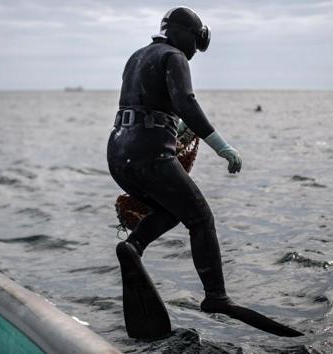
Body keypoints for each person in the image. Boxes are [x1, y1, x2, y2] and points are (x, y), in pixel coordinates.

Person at [108, 7, 302, 337]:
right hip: (151, 153)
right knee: (200, 217)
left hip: (117, 152)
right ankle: (216, 296)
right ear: (184, 35)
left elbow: (147, 101)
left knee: (172, 208)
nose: (196, 50)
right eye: (197, 42)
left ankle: (134, 245)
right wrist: (221, 146)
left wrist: (176, 125)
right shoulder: (174, 56)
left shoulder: (138, 55)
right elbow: (185, 100)